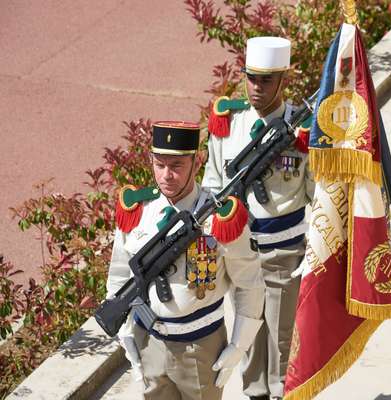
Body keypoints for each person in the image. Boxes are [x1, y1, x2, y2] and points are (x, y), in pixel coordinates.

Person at [106, 121, 265, 400]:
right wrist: (126, 333)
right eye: (160, 164)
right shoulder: (137, 211)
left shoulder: (220, 218)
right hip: (149, 341)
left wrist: (239, 345)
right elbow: (120, 275)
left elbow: (250, 283)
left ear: (198, 161)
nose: (167, 175)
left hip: (200, 346)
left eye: (177, 165)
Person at [202, 36, 314, 400]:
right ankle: (255, 394)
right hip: (241, 251)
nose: (256, 88)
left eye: (266, 80)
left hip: (284, 251)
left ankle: (284, 394)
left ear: (284, 80)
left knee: (283, 337)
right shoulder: (228, 123)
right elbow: (213, 184)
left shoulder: (302, 130)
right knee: (249, 334)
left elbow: (317, 192)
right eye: (251, 78)